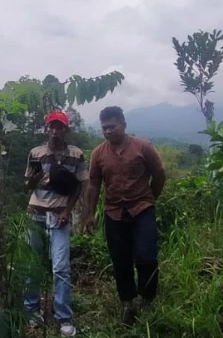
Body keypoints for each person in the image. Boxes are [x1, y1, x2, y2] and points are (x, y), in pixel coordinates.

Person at [87, 106, 166, 326]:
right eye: (104, 128)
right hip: (113, 213)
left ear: (123, 124)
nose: (108, 131)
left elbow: (159, 174)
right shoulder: (98, 153)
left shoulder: (143, 147)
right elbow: (94, 184)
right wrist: (90, 214)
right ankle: (128, 302)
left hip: (142, 209)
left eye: (112, 126)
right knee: (120, 261)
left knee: (146, 256)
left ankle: (147, 298)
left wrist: (151, 199)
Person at [23, 110, 88, 337]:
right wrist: (34, 178)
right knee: (31, 265)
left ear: (66, 130)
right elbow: (28, 185)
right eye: (51, 126)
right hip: (35, 213)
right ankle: (31, 309)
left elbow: (79, 186)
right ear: (46, 128)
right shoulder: (36, 152)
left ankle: (64, 317)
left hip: (59, 215)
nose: (55, 130)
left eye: (59, 127)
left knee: (60, 267)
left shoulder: (76, 154)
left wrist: (68, 212)